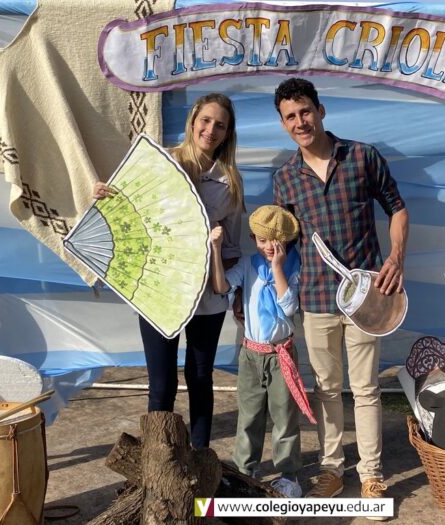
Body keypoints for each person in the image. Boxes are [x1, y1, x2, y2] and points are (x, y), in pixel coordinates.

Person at [272, 78, 408, 510]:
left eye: (305, 111)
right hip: (315, 298)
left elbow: (397, 208)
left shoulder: (363, 156)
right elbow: (287, 244)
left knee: (366, 388)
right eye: (290, 116)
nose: (300, 122)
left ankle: (371, 476)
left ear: (321, 111)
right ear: (283, 124)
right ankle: (331, 470)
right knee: (327, 389)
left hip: (367, 297)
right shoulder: (285, 179)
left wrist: (396, 258)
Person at [94, 93, 244, 449]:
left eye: (220, 125)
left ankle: (201, 457)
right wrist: (103, 197)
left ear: (227, 134)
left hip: (206, 299)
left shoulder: (230, 182)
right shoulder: (161, 163)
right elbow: (130, 214)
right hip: (158, 293)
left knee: (200, 377)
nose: (210, 130)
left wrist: (214, 267)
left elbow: (233, 252)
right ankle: (158, 461)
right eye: (206, 120)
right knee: (161, 383)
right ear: (193, 121)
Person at [210, 205, 315, 498]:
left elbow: (289, 307)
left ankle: (289, 475)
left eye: (275, 241)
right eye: (262, 240)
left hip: (281, 355)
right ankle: (245, 472)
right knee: (249, 416)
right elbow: (221, 286)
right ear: (253, 239)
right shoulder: (248, 265)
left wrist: (278, 268)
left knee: (284, 417)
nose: (269, 246)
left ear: (286, 241)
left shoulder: (295, 266)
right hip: (251, 355)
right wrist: (215, 249)